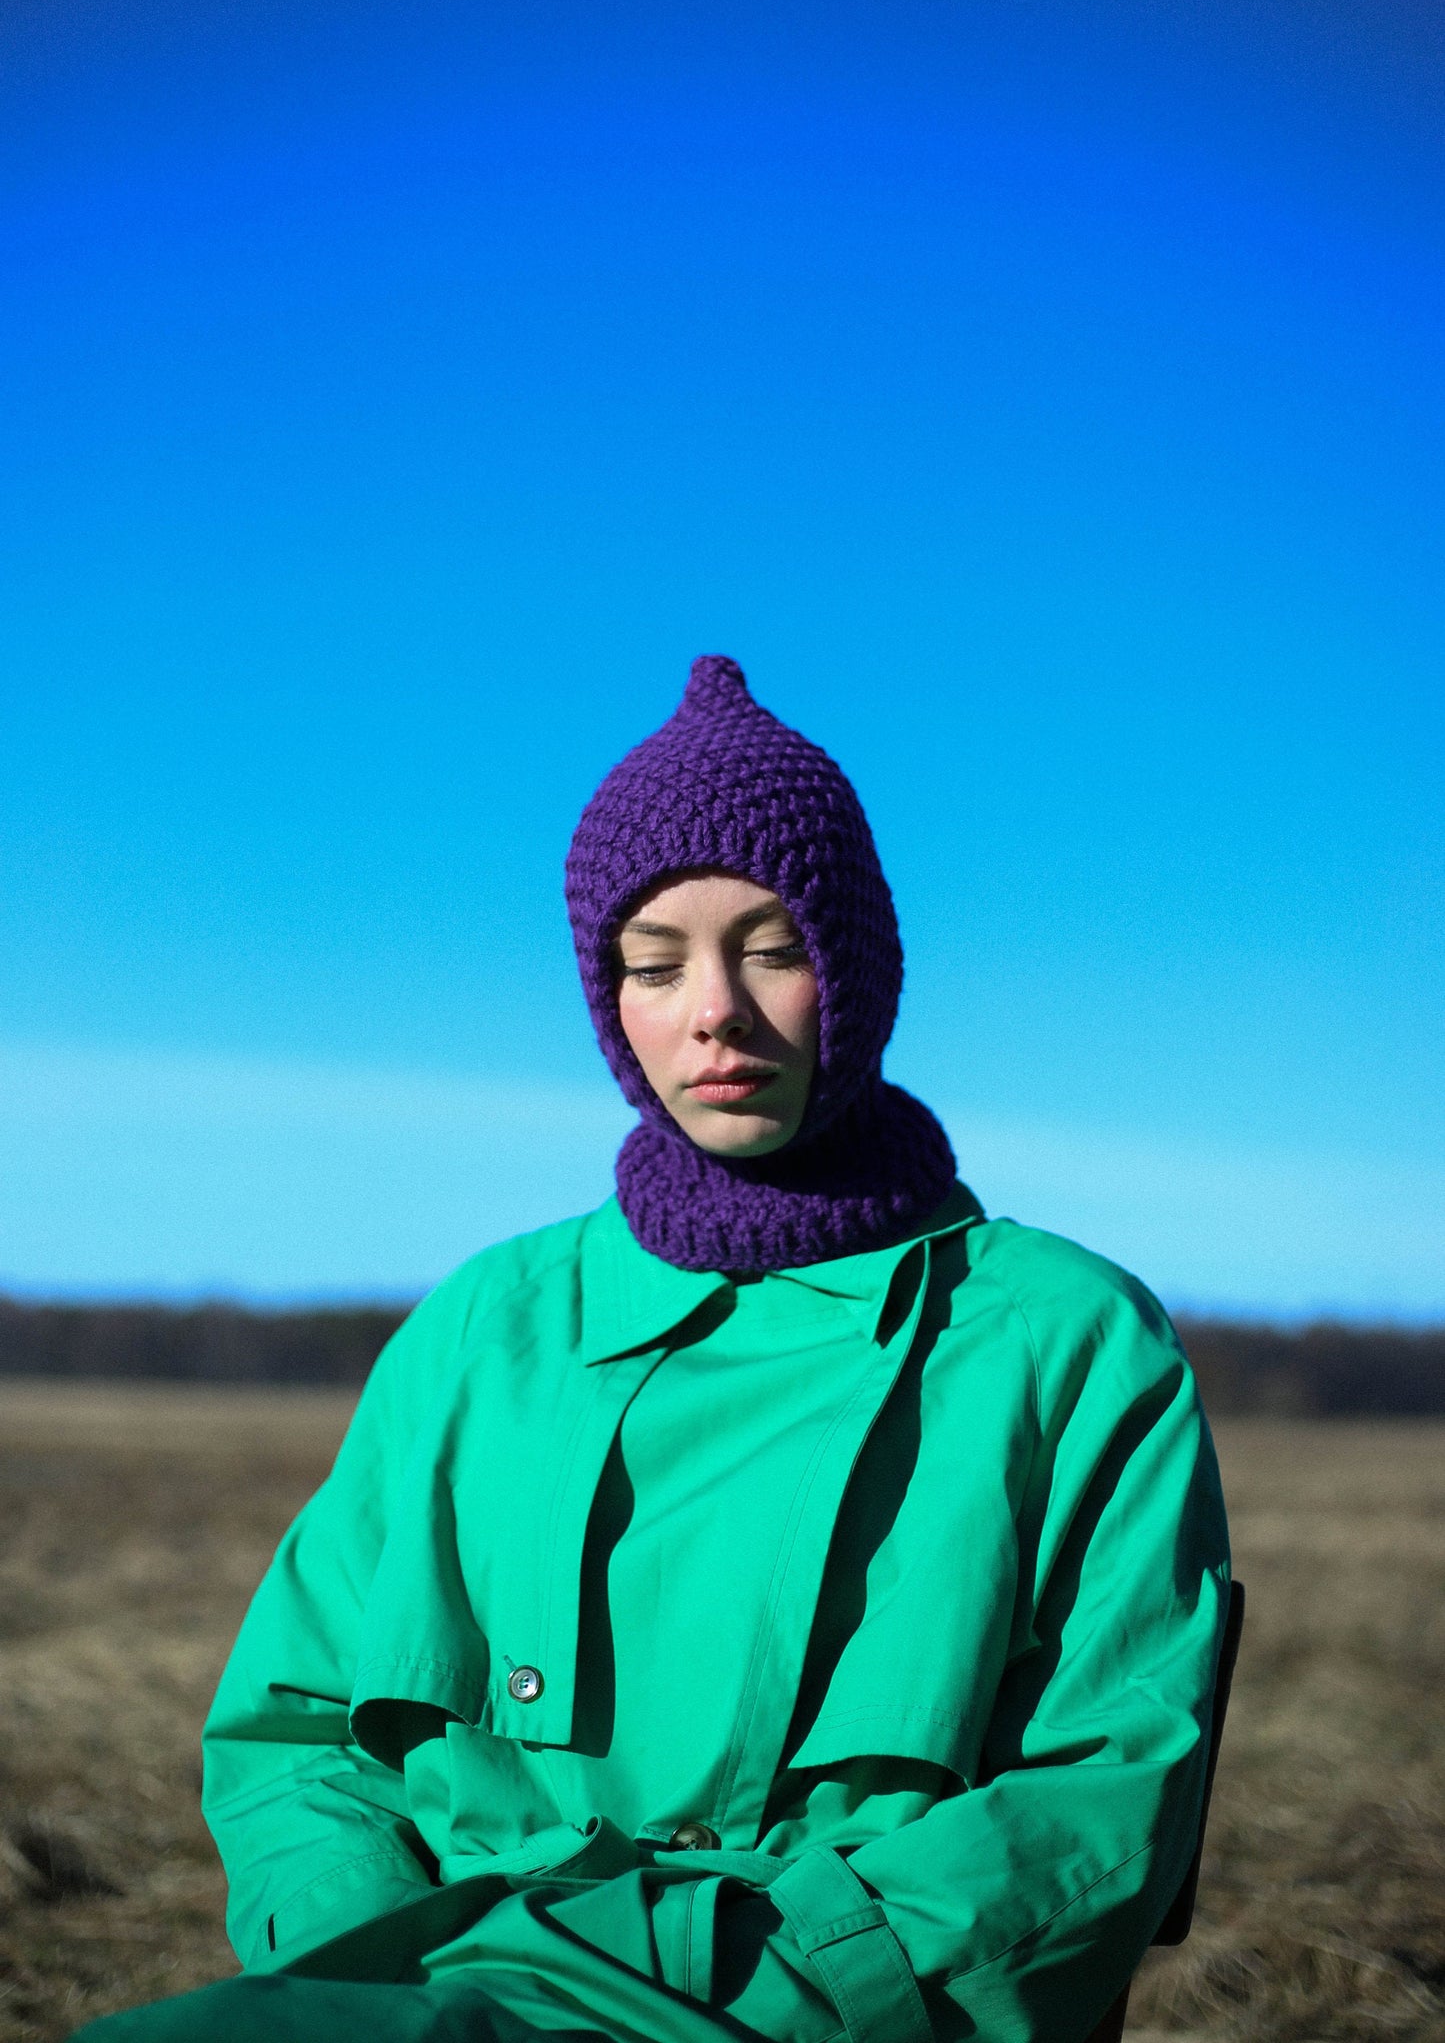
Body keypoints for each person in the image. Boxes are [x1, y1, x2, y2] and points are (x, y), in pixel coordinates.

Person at [77, 656, 1230, 2043]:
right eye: (654, 962)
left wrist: (702, 1999)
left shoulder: (1065, 1338)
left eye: (773, 947)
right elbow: (299, 1733)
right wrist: (381, 1973)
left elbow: (1103, 1804)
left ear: (859, 967)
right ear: (607, 998)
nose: (714, 1010)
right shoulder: (486, 1322)